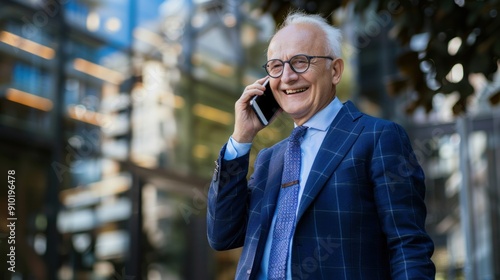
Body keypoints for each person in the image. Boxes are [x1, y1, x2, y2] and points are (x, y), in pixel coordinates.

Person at [207, 11, 435, 280]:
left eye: (300, 62)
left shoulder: (378, 138)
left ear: (335, 70)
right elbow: (223, 235)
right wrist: (241, 138)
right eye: (276, 66)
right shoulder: (270, 159)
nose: (288, 77)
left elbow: (408, 247)